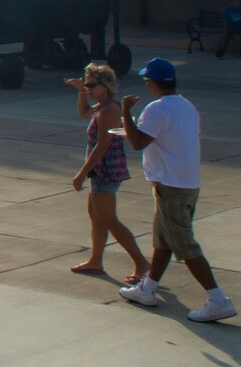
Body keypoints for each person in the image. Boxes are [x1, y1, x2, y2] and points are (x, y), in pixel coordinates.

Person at [116, 59, 233, 321]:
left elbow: (137, 142)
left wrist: (125, 111)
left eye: (146, 81)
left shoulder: (156, 109)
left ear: (152, 83)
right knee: (163, 240)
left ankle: (218, 300)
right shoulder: (186, 106)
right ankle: (147, 289)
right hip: (187, 183)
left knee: (184, 244)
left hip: (171, 186)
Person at [66, 63, 146, 282]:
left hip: (106, 170)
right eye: (87, 84)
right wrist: (82, 91)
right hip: (99, 170)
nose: (88, 88)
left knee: (109, 219)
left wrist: (81, 173)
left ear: (106, 85)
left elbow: (101, 146)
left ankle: (141, 262)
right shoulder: (101, 106)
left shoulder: (110, 109)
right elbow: (83, 113)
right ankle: (96, 261)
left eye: (92, 84)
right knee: (96, 215)